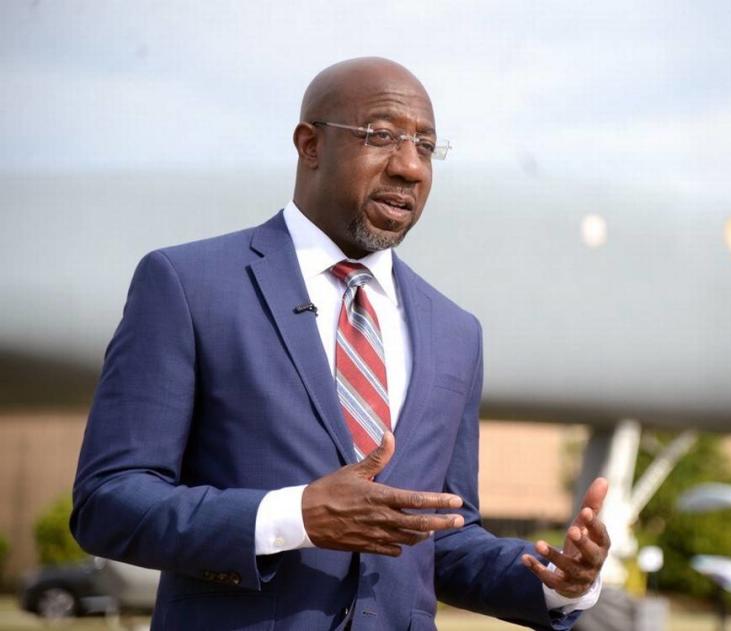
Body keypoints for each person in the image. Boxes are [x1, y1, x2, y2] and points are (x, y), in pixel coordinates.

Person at [71, 57, 610, 630]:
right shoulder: (187, 284)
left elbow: (441, 539)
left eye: (426, 146)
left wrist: (555, 581)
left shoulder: (456, 332)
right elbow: (109, 501)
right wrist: (292, 517)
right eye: (382, 137)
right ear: (310, 145)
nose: (409, 167)